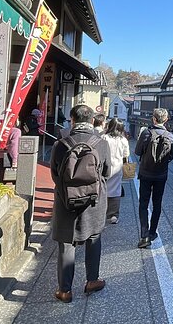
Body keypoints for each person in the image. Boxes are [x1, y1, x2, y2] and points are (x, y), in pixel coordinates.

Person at [50, 105, 111, 303]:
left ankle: (64, 290)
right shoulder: (101, 144)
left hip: (66, 200)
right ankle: (92, 280)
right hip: (93, 201)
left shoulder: (61, 144)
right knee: (93, 238)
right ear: (92, 121)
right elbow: (107, 173)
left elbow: (54, 174)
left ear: (72, 120)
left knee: (67, 243)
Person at [135, 108, 173, 249]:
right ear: (165, 120)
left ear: (153, 119)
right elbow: (172, 156)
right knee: (157, 203)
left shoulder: (146, 133)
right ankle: (152, 233)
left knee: (143, 204)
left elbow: (137, 151)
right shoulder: (170, 136)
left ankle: (144, 235)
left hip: (146, 173)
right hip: (161, 175)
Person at [102, 118, 130, 224]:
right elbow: (126, 156)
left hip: (104, 167)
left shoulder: (104, 137)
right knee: (115, 191)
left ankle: (101, 212)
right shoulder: (123, 140)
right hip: (118, 168)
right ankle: (113, 215)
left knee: (103, 190)